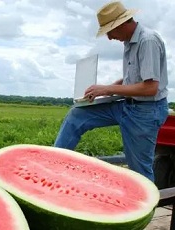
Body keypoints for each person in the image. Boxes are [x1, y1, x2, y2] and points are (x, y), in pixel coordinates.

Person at [54, 1, 169, 182]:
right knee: (77, 115)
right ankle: (52, 165)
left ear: (122, 24)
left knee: (139, 173)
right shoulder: (129, 41)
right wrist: (111, 88)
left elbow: (150, 87)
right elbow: (137, 76)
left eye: (110, 31)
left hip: (145, 112)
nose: (109, 37)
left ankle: (146, 207)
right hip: (127, 105)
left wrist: (108, 88)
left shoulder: (148, 40)